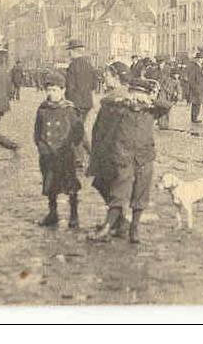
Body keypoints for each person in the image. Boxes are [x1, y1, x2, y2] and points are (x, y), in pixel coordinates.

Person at [89, 64, 170, 243]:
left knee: (141, 194)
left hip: (144, 157)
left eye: (141, 95)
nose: (137, 99)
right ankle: (108, 228)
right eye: (134, 94)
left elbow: (166, 106)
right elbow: (106, 102)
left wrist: (151, 100)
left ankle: (134, 229)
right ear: (129, 93)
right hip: (124, 156)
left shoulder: (151, 111)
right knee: (119, 193)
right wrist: (124, 100)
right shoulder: (121, 109)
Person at [34, 71, 84, 228]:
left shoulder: (69, 110)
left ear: (63, 90)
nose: (51, 94)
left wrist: (73, 149)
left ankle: (74, 214)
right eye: (49, 90)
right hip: (48, 154)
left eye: (55, 90)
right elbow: (38, 132)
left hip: (65, 154)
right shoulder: (43, 109)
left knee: (70, 185)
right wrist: (42, 147)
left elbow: (78, 132)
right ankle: (52, 213)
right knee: (50, 185)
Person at [65, 39, 96, 158]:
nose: (69, 54)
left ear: (74, 51)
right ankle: (89, 154)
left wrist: (69, 102)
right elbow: (94, 84)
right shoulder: (89, 64)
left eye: (70, 51)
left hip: (76, 103)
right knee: (79, 128)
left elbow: (70, 87)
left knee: (76, 130)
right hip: (87, 102)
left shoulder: (73, 65)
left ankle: (82, 157)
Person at [185, 53, 203, 123]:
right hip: (196, 88)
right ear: (197, 59)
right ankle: (194, 118)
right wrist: (195, 87)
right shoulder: (194, 67)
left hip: (200, 88)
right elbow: (191, 78)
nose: (201, 60)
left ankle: (195, 117)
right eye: (200, 59)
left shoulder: (201, 66)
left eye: (202, 59)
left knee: (198, 103)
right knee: (196, 103)